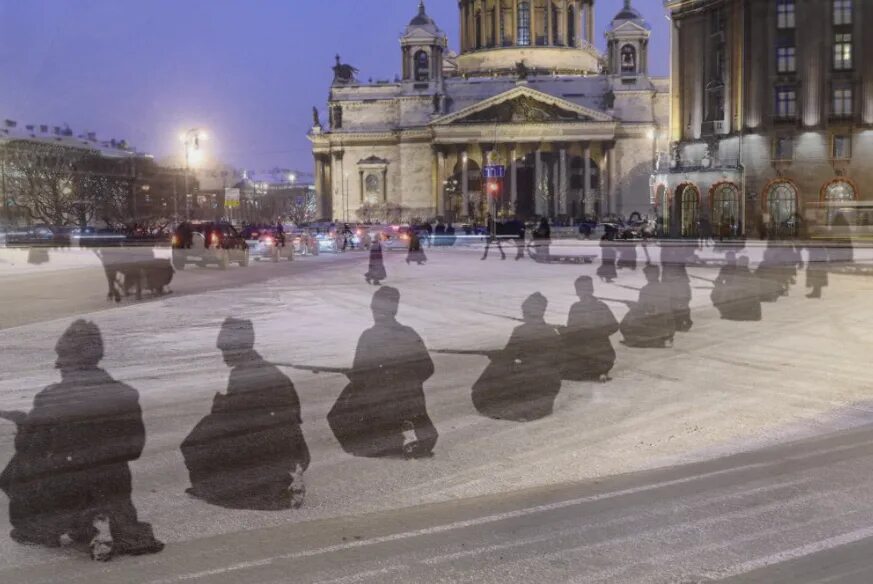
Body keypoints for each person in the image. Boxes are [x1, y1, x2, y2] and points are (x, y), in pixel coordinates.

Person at [0, 321, 163, 561]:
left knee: (15, 472)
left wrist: (25, 424)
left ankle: (58, 524)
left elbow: (29, 448)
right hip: (113, 484)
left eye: (61, 361)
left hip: (69, 482)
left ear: (68, 361)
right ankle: (95, 518)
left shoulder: (51, 397)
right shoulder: (124, 393)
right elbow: (134, 448)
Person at [181, 318, 310, 510]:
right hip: (290, 443)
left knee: (199, 440)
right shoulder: (260, 368)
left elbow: (235, 415)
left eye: (226, 349)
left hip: (276, 444)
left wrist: (220, 404)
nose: (223, 355)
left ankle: (269, 485)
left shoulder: (247, 374)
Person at [328, 287, 438, 458]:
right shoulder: (409, 333)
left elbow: (360, 375)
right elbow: (428, 368)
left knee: (339, 413)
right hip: (410, 400)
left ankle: (394, 438)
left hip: (381, 402)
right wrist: (409, 382)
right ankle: (409, 432)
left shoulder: (369, 336)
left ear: (374, 310)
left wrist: (355, 376)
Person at [468, 293, 563, 421]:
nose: (524, 315)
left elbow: (509, 355)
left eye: (526, 312)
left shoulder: (522, 331)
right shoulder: (551, 332)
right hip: (548, 382)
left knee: (498, 366)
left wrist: (496, 356)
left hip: (536, 378)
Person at [562, 277, 620, 382]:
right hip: (592, 349)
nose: (582, 293)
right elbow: (571, 328)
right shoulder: (577, 307)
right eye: (580, 290)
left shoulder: (598, 306)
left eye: (584, 289)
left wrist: (596, 332)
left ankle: (595, 370)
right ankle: (599, 371)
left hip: (595, 348)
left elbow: (614, 326)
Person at [620, 265, 676, 348]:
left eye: (648, 275)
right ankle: (662, 338)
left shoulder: (646, 289)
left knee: (629, 318)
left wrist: (632, 305)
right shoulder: (666, 288)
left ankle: (643, 340)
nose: (647, 277)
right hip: (667, 323)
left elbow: (643, 308)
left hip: (656, 321)